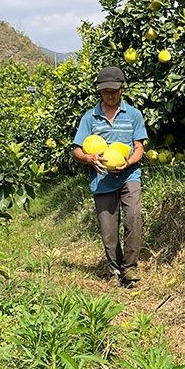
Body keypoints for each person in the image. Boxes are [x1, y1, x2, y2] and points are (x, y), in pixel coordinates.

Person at [72, 66, 148, 286]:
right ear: (100, 91)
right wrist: (89, 158)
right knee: (108, 228)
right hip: (102, 178)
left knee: (133, 218)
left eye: (114, 90)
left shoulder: (133, 114)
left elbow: (139, 147)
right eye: (106, 91)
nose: (110, 95)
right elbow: (77, 150)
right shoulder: (90, 117)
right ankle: (114, 270)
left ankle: (130, 268)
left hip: (129, 175)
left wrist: (129, 162)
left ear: (122, 89)